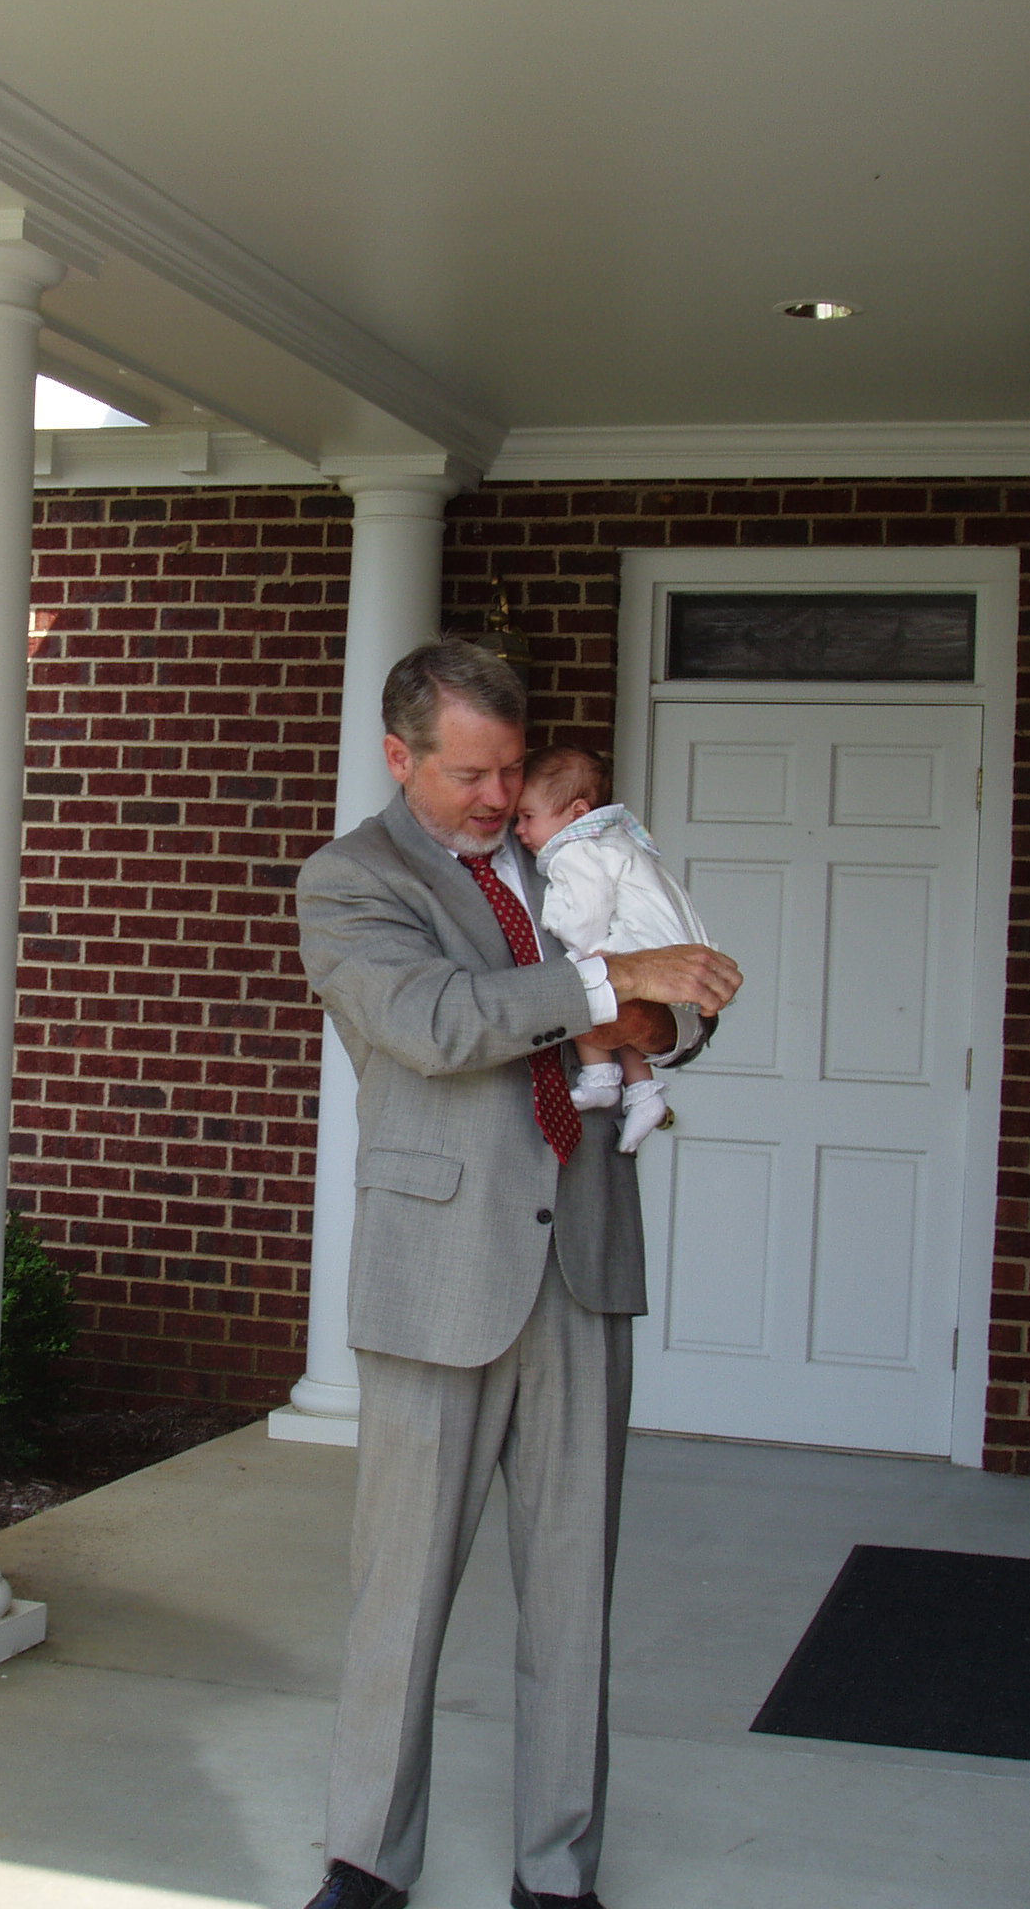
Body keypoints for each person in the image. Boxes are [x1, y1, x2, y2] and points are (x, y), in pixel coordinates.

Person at [293, 640, 740, 1909]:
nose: (500, 798)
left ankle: (557, 1872)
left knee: (572, 1593)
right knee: (401, 1595)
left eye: (510, 770)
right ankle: (368, 1863)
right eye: (471, 775)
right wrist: (608, 985)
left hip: (582, 1263)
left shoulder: (566, 850)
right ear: (400, 758)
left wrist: (645, 1003)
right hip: (439, 1273)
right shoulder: (352, 880)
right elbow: (435, 1024)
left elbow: (680, 1003)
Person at [512, 746, 713, 1157]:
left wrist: (555, 921)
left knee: (578, 988)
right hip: (660, 944)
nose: (519, 829)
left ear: (576, 812)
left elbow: (585, 917)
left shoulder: (574, 851)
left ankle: (601, 1076)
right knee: (614, 1010)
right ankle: (643, 1093)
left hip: (636, 946)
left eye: (528, 817)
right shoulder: (610, 839)